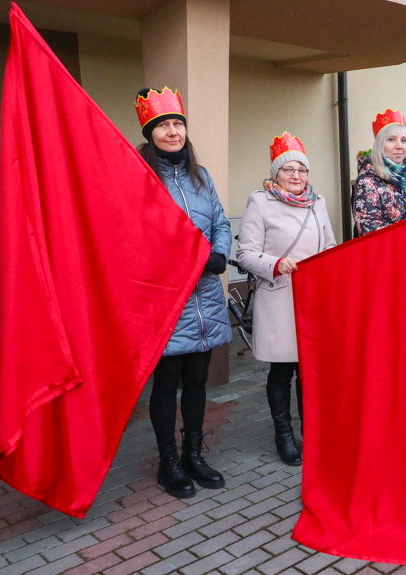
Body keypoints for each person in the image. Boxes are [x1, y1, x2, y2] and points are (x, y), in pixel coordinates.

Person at [135, 87, 232, 498]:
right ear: (149, 132)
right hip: (166, 298)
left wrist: (219, 254)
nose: (172, 131)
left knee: (197, 381)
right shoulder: (139, 177)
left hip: (205, 297)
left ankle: (194, 454)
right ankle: (168, 463)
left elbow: (221, 224)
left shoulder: (201, 175)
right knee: (167, 382)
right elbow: (133, 237)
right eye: (163, 125)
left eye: (177, 124)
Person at [236, 133, 336, 466]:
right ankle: (284, 434)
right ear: (276, 173)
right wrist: (276, 265)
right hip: (280, 296)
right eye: (288, 170)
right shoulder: (260, 202)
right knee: (282, 371)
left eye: (301, 170)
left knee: (310, 371)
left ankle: (312, 432)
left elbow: (330, 245)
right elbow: (245, 253)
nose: (296, 176)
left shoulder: (317, 201)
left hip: (314, 299)